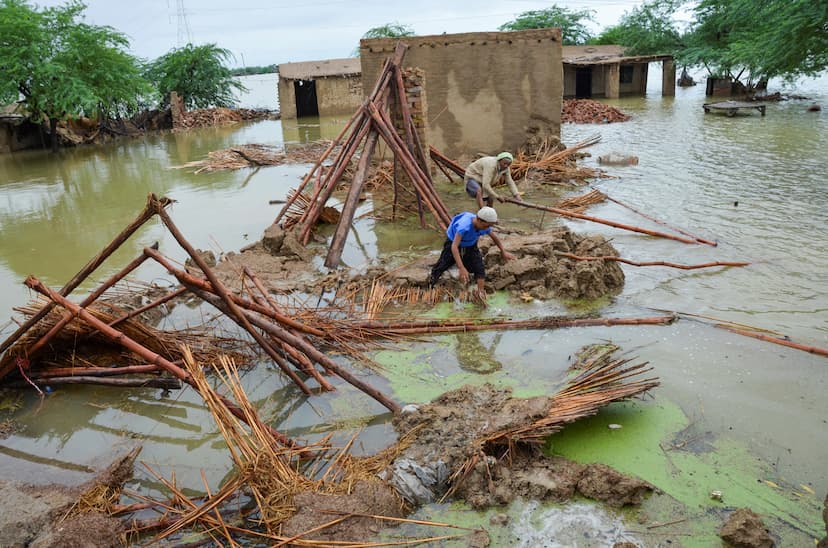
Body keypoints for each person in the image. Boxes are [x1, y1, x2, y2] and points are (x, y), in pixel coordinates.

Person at [428, 207, 514, 302]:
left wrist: (503, 251)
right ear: (479, 220)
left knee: (479, 267)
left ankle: (480, 293)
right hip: (453, 242)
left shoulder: (485, 226)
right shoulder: (464, 227)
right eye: (486, 226)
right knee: (442, 265)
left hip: (471, 244)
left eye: (489, 226)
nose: (487, 229)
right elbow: (454, 247)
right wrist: (461, 267)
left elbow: (495, 238)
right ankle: (431, 286)